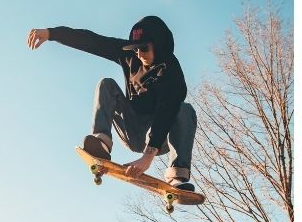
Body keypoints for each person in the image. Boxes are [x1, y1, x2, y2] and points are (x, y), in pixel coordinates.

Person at [27, 16, 197, 191]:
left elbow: (166, 111)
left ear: (160, 45)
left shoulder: (171, 71)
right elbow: (93, 41)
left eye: (143, 48)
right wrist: (51, 33)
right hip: (131, 128)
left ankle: (177, 176)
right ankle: (102, 142)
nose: (139, 54)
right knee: (106, 84)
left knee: (184, 109)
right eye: (135, 49)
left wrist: (148, 156)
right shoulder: (129, 55)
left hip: (159, 136)